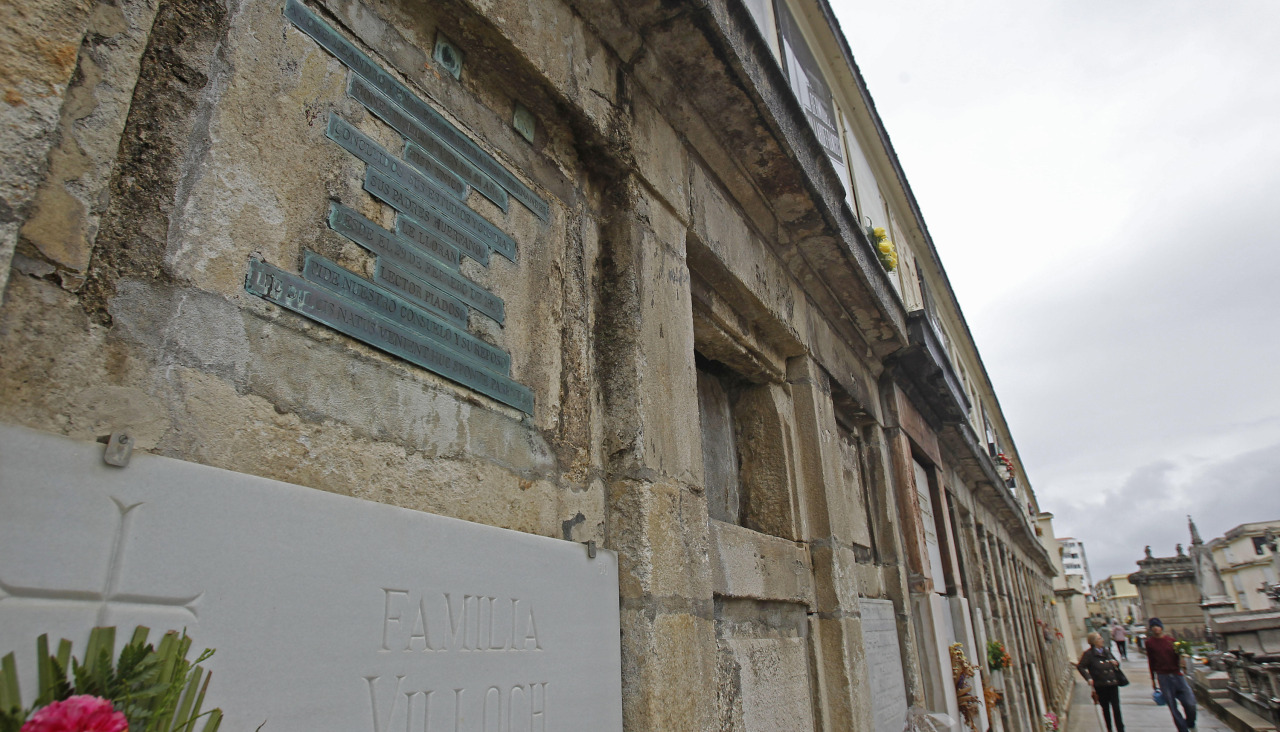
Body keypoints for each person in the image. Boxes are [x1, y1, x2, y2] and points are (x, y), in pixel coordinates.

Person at [1146, 618, 1196, 732]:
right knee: (1172, 707)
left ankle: (1190, 723)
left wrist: (1183, 662)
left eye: (1157, 626)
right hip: (1163, 676)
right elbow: (1151, 660)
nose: (1155, 628)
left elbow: (1180, 656)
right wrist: (1153, 679)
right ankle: (1183, 729)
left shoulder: (1171, 641)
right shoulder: (1150, 643)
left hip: (1177, 674)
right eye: (1153, 626)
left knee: (1190, 703)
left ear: (1161, 627)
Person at [1078, 632, 1126, 732]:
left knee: (1116, 708)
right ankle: (1109, 728)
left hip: (1112, 684)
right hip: (1101, 685)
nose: (1102, 640)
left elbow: (1116, 662)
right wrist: (1088, 678)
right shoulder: (1089, 654)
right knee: (1105, 709)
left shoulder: (1106, 651)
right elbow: (1080, 666)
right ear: (1094, 641)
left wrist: (1115, 663)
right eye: (1099, 639)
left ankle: (1121, 729)